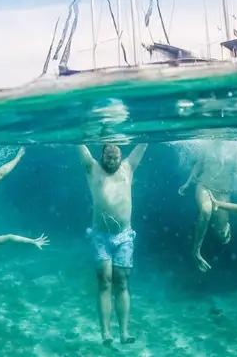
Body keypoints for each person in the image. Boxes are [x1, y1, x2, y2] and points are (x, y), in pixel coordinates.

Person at [78, 143, 148, 346]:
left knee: (122, 282)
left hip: (124, 236)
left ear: (121, 156)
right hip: (100, 236)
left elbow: (142, 144)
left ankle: (124, 332)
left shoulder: (128, 167)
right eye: (108, 157)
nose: (112, 161)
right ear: (101, 156)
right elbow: (80, 145)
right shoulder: (92, 168)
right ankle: (106, 333)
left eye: (115, 157)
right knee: (105, 281)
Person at [178, 149, 236, 271]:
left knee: (223, 236)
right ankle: (196, 251)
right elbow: (198, 164)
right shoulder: (208, 143)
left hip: (224, 192)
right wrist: (188, 183)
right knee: (206, 211)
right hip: (204, 185)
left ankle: (221, 224)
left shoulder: (236, 146)